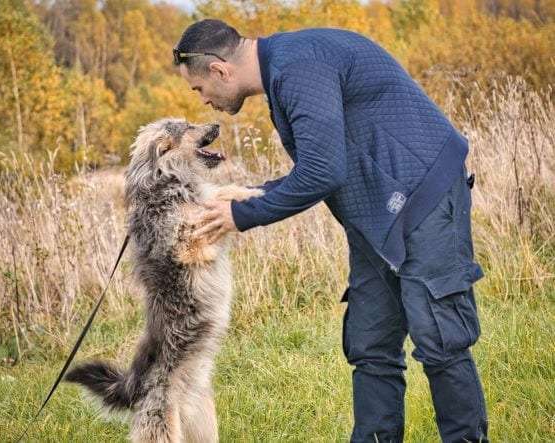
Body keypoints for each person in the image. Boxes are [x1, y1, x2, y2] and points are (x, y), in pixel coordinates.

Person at [173, 18, 489, 443]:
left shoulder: (298, 66)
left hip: (424, 198)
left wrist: (242, 217)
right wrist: (248, 196)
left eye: (199, 89)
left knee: (440, 341)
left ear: (219, 70)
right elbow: (320, 167)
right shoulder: (285, 71)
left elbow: (323, 172)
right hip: (375, 214)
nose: (204, 101)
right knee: (371, 343)